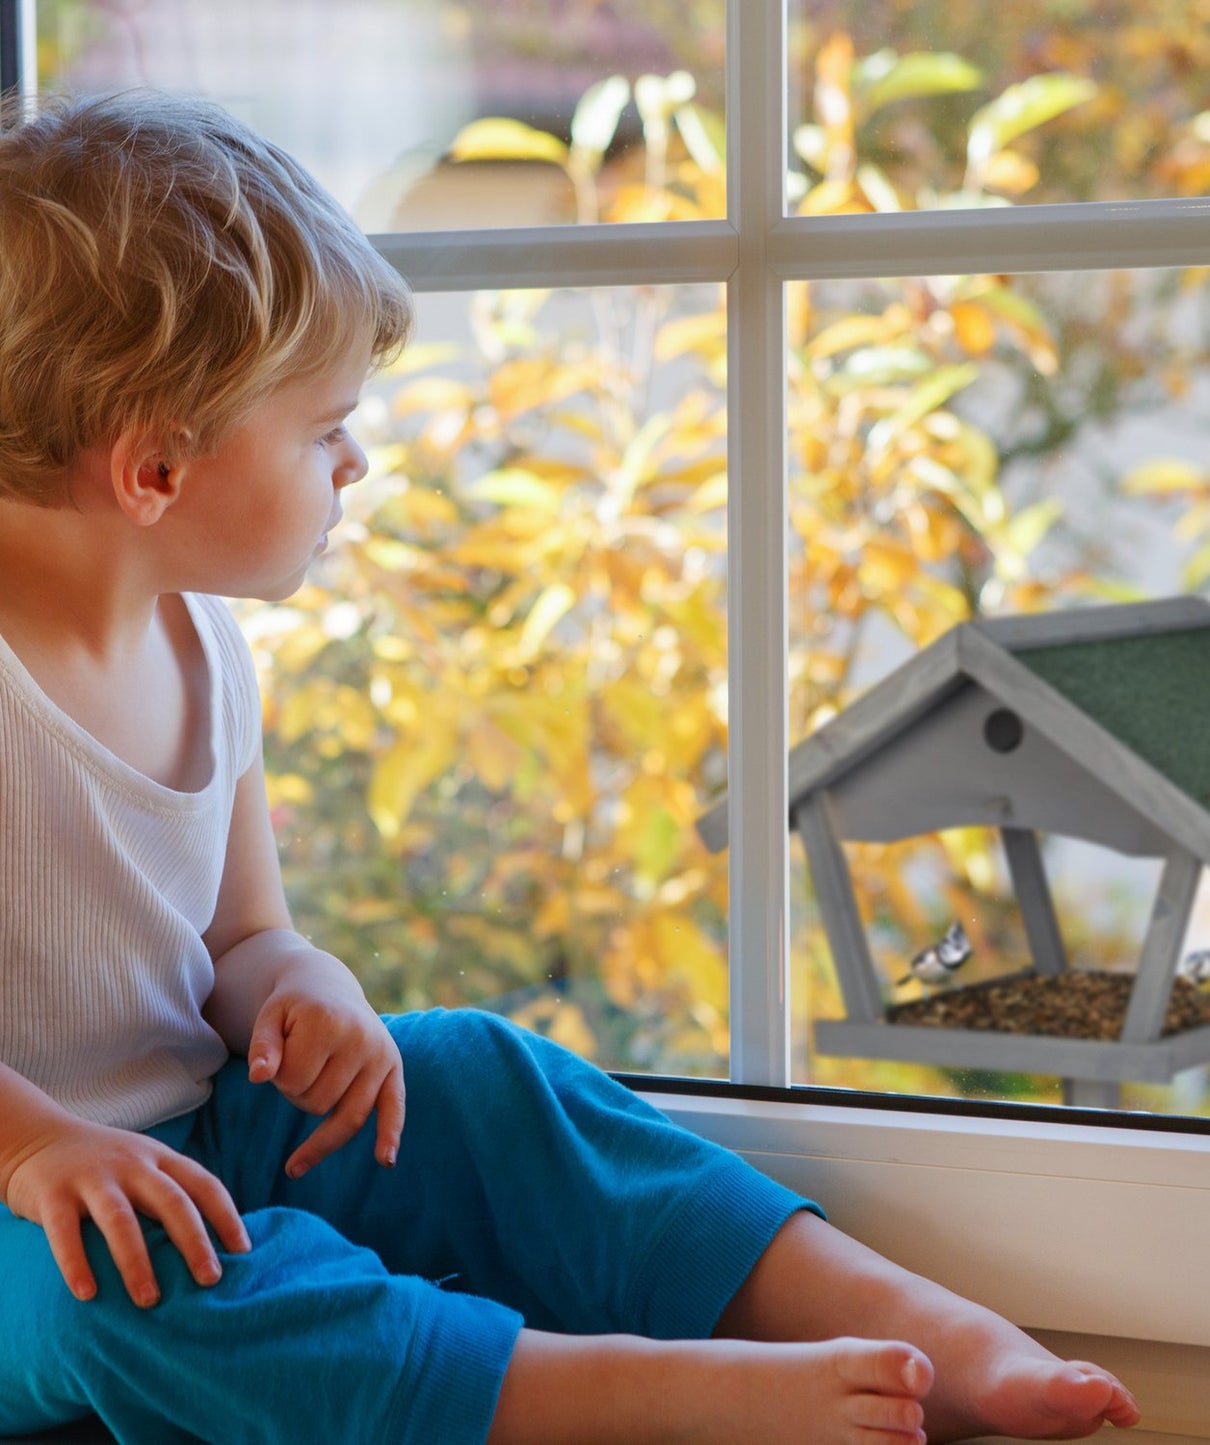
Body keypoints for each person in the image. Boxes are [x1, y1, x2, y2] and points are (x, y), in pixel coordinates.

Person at [0, 91, 1141, 1445]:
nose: (355, 462)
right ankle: (629, 1396)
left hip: (196, 1142)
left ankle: (922, 1326)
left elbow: (240, 932)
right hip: (30, 1225)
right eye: (323, 431)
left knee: (477, 1076)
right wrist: (41, 1147)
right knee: (131, 1299)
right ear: (154, 469)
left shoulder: (203, 646)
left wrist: (300, 983)